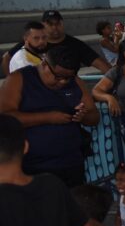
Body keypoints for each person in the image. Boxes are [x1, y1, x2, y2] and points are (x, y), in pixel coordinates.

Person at [0, 46, 99, 186]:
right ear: (44, 64)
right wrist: (48, 117)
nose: (63, 82)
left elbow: (94, 116)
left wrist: (82, 117)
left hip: (71, 162)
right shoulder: (18, 79)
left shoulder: (75, 82)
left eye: (68, 78)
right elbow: (5, 118)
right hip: (34, 166)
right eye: (58, 77)